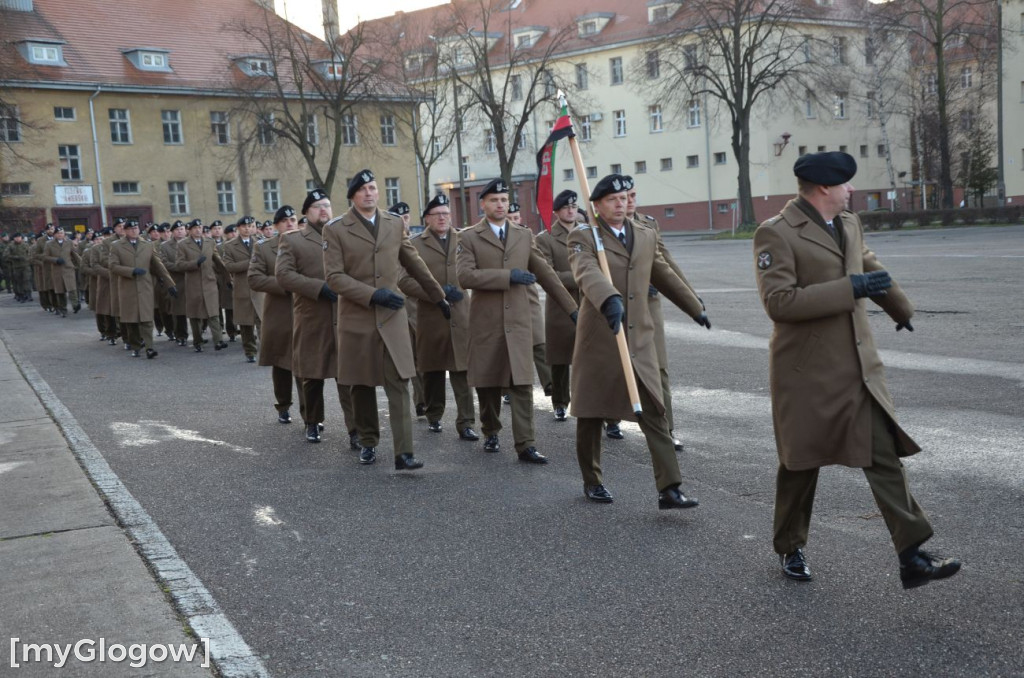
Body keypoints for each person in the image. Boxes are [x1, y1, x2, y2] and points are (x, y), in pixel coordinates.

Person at [753, 151, 960, 588]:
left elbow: (869, 267)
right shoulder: (776, 233)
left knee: (883, 454)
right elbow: (780, 303)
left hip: (856, 367)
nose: (852, 190)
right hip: (806, 373)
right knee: (800, 464)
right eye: (846, 184)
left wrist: (900, 308)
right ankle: (790, 545)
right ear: (824, 188)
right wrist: (849, 289)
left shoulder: (848, 223)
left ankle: (912, 556)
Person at [568, 173, 710, 507]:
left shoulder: (644, 234)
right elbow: (585, 271)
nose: (621, 204)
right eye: (612, 200)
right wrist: (608, 298)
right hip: (602, 337)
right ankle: (592, 479)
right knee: (591, 413)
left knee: (654, 411)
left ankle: (669, 487)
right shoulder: (583, 236)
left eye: (625, 198)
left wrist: (694, 307)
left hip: (639, 340)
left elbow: (662, 272)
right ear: (598, 205)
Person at [322, 170, 449, 470]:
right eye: (363, 189)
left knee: (399, 382)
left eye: (373, 188)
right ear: (352, 195)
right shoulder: (337, 229)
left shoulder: (393, 223)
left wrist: (438, 295)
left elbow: (413, 262)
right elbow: (334, 278)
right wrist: (373, 295)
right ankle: (367, 441)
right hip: (357, 316)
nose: (369, 193)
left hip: (392, 317)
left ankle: (404, 453)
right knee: (362, 384)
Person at [457, 178, 578, 464]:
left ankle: (526, 444)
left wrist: (572, 308)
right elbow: (465, 276)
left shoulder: (524, 235)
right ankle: (491, 430)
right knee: (488, 384)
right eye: (494, 200)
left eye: (503, 200)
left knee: (522, 384)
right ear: (483, 205)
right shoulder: (469, 237)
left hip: (519, 322)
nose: (500, 204)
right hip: (487, 323)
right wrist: (507, 276)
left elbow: (546, 273)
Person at [276, 189, 357, 447]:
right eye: (317, 206)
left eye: (327, 205)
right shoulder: (292, 240)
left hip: (344, 317)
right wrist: (318, 288)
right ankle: (312, 421)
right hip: (313, 316)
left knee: (349, 378)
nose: (323, 210)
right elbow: (284, 276)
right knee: (312, 375)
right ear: (307, 213)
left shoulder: (344, 236)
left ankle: (356, 430)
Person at [625, 175, 699, 452]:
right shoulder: (598, 230)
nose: (629, 201)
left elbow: (665, 261)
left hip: (649, 310)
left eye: (632, 195)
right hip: (618, 308)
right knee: (615, 369)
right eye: (623, 197)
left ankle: (667, 430)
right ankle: (607, 419)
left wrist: (689, 295)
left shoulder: (649, 225)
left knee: (659, 370)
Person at [399, 194, 479, 441]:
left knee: (462, 370)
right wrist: (437, 293)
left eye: (446, 213)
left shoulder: (464, 239)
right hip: (430, 315)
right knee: (432, 370)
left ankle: (466, 422)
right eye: (437, 214)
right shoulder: (415, 244)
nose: (443, 218)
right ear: (427, 219)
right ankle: (434, 414)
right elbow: (403, 281)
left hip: (461, 313)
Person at [249, 205, 303, 424]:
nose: (290, 223)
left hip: (305, 312)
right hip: (279, 313)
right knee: (281, 364)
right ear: (276, 225)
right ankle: (283, 405)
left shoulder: (308, 244)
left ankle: (311, 415)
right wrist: (285, 284)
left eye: (293, 219)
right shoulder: (264, 248)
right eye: (285, 221)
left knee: (305, 365)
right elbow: (254, 278)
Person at [109, 220, 177, 358]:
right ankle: (135, 346)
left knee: (147, 319)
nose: (134, 231)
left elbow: (158, 266)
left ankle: (149, 348)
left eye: (136, 228)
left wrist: (170, 284)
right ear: (126, 231)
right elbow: (113, 266)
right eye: (131, 228)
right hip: (127, 288)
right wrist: (131, 271)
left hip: (145, 287)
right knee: (131, 320)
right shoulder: (116, 246)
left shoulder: (147, 245)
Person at [508, 202, 554, 402]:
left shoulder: (527, 237)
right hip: (507, 301)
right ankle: (510, 388)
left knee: (540, 346)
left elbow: (541, 266)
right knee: (513, 349)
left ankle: (552, 388)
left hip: (529, 300)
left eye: (516, 217)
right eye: (510, 218)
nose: (514, 221)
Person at [387, 201, 426, 417]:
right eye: (399, 217)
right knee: (406, 358)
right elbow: (402, 279)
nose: (404, 221)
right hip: (400, 307)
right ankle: (419, 401)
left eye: (407, 216)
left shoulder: (416, 241)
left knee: (421, 358)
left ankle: (422, 401)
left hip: (419, 307)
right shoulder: (389, 242)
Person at [176, 219, 227, 352]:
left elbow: (218, 261)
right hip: (193, 284)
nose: (198, 230)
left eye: (200, 227)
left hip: (209, 282)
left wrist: (227, 277)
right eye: (195, 228)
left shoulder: (210, 242)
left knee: (213, 313)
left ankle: (218, 341)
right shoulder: (183, 244)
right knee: (195, 315)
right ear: (190, 230)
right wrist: (195, 263)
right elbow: (179, 264)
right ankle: (197, 341)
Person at [221, 216, 260, 362]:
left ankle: (266, 348)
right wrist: (249, 262)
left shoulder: (260, 242)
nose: (247, 228)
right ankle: (250, 351)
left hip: (259, 287)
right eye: (244, 226)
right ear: (238, 228)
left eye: (250, 225)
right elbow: (229, 266)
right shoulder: (230, 245)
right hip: (242, 288)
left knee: (262, 320)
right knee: (245, 324)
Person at [43, 226, 81, 317]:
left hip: (68, 268)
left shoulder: (69, 242)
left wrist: (81, 264)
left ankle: (75, 305)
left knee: (72, 288)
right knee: (60, 291)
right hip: (57, 270)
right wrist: (55, 260)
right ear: (55, 234)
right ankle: (63, 309)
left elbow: (75, 254)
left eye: (62, 233)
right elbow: (45, 257)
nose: (60, 235)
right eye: (58, 233)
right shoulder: (49, 244)